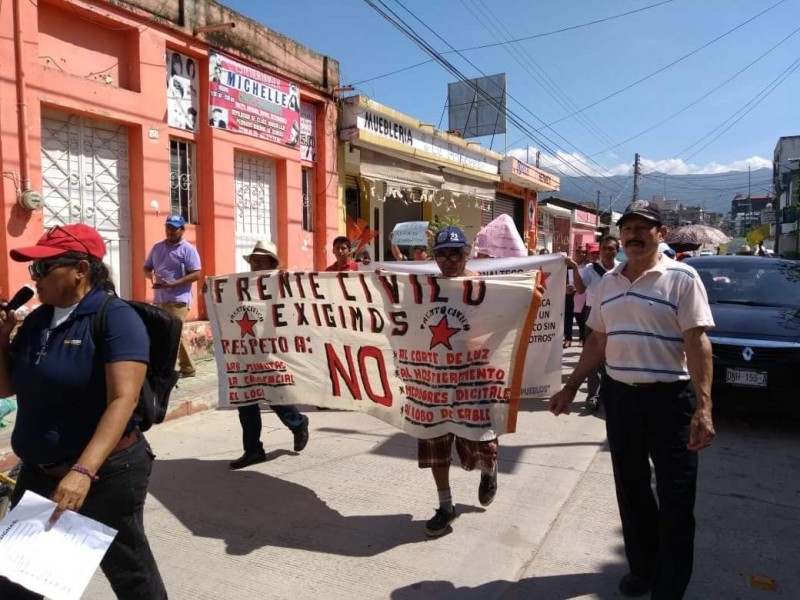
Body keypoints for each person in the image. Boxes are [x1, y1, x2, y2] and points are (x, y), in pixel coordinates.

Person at [549, 200, 715, 599]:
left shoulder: (683, 278)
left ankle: (669, 586)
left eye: (645, 228)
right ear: (619, 236)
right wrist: (571, 385)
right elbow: (596, 341)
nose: (634, 235)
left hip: (670, 400)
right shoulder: (607, 284)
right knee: (632, 488)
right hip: (621, 399)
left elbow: (698, 344)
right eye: (628, 228)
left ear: (661, 233)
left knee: (676, 496)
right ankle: (643, 569)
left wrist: (704, 405)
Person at [0, 224, 167, 599]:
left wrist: (83, 471)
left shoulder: (115, 318)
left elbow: (122, 400)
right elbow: (6, 388)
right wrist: (1, 339)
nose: (34, 278)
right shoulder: (40, 320)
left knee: (129, 573)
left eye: (43, 268)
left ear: (81, 270)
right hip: (39, 473)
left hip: (104, 474)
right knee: (16, 577)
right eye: (33, 269)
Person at [420, 226, 499, 538]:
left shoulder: (483, 286)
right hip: (433, 379)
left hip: (473, 377)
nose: (448, 260)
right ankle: (445, 506)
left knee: (482, 444)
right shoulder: (424, 287)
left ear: (467, 254)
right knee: (435, 446)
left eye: (455, 253)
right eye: (441, 253)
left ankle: (490, 471)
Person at [229, 241, 310, 470]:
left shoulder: (283, 285)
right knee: (245, 401)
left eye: (260, 260)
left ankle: (298, 423)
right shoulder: (241, 285)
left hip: (271, 351)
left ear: (272, 263)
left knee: (274, 395)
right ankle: (253, 450)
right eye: (253, 260)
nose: (255, 264)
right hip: (245, 350)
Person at [144, 214, 202, 378]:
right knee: (170, 332)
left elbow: (196, 274)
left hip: (179, 299)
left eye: (174, 228)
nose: (169, 231)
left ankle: (167, 369)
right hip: (160, 298)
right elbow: (146, 267)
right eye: (168, 227)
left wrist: (174, 284)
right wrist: (151, 276)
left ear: (182, 230)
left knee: (172, 333)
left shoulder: (187, 249)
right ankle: (188, 368)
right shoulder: (157, 247)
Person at [572, 237, 620, 412]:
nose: (608, 252)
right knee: (592, 357)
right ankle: (593, 395)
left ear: (617, 250)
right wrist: (574, 268)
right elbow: (580, 289)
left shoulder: (623, 268)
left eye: (612, 249)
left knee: (613, 357)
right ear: (600, 251)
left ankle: (610, 394)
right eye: (605, 249)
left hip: (616, 315)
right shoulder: (590, 269)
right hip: (593, 315)